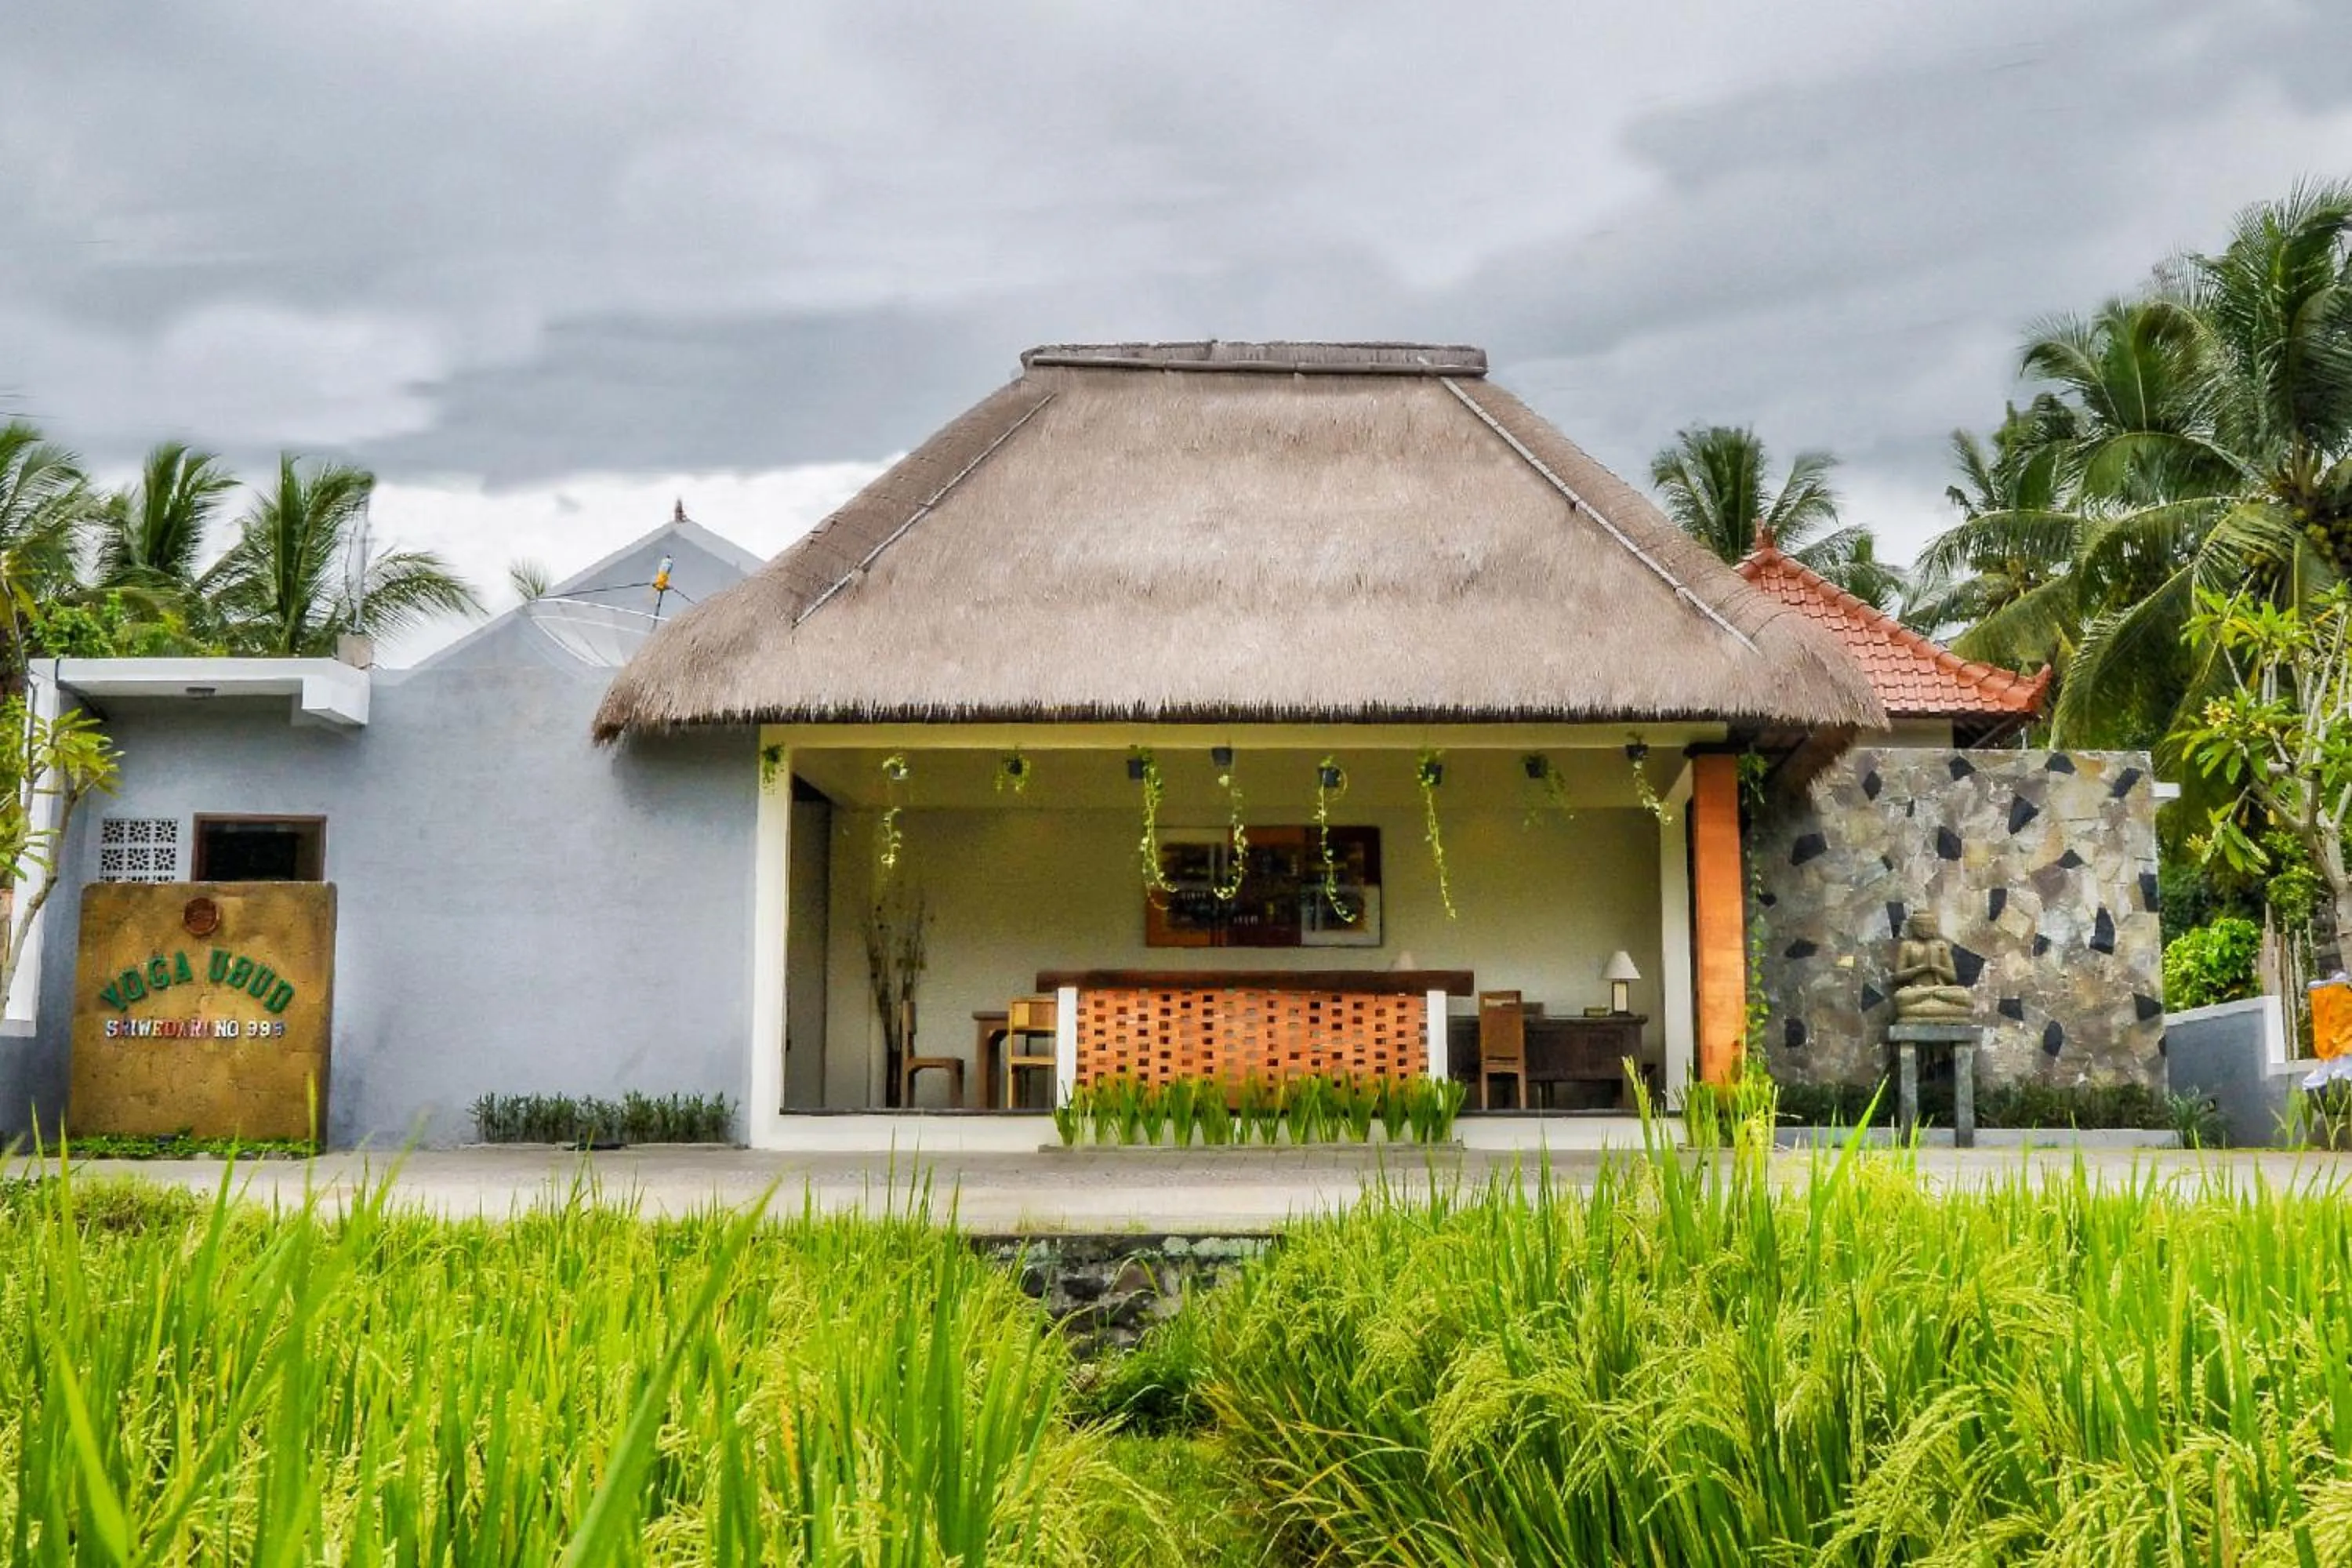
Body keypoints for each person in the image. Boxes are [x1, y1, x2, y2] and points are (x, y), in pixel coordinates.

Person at [1892, 911, 1973, 1022]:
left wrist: (1936, 967)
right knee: (1901, 997)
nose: (1925, 929)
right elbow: (1898, 976)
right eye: (1920, 926)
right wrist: (1922, 967)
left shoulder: (1941, 946)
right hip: (1918, 990)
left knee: (1965, 996)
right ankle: (1935, 1003)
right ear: (1913, 927)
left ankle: (1931, 1000)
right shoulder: (1907, 946)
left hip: (1939, 989)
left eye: (1929, 926)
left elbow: (1953, 977)